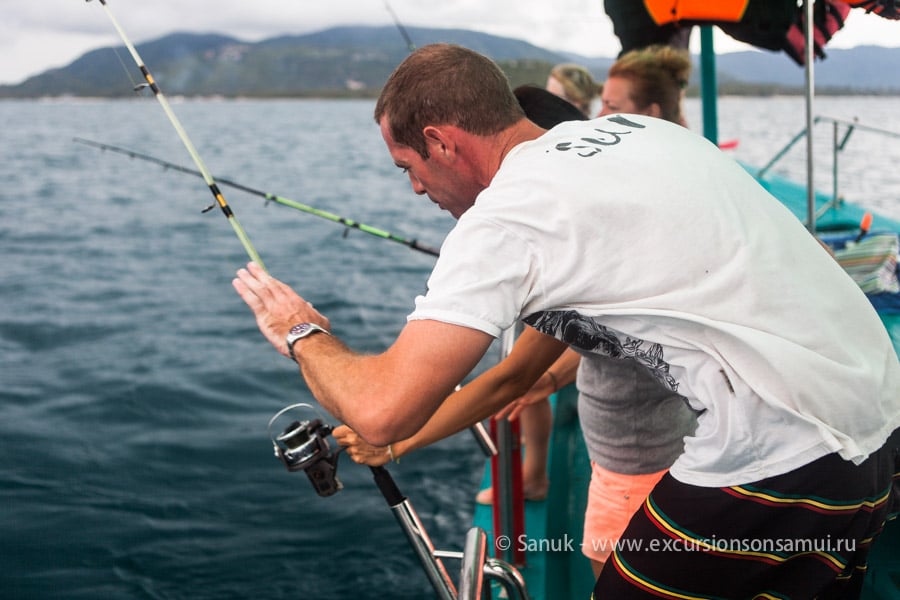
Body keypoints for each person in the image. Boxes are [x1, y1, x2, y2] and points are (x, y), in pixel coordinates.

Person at [233, 44, 900, 598]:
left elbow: (380, 409)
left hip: (780, 455)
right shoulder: (637, 133)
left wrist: (300, 331)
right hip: (878, 425)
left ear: (440, 142)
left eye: (408, 167)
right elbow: (524, 365)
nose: (414, 189)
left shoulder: (509, 217)